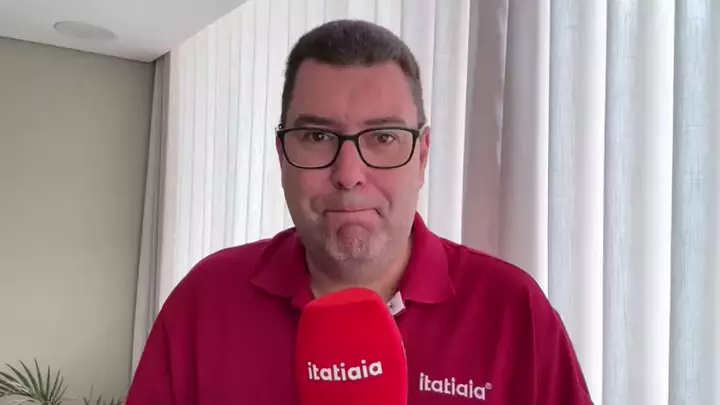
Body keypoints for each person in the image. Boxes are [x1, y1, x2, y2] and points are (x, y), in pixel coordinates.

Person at [126, 19, 594, 405]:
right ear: (282, 154)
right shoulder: (205, 302)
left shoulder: (514, 313)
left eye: (383, 137)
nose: (348, 174)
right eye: (317, 136)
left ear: (422, 155)